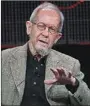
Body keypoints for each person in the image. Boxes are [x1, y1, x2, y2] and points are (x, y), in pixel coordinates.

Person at [2, 2, 90, 106]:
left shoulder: (71, 64)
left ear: (57, 38)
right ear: (29, 28)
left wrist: (74, 84)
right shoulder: (3, 58)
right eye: (41, 26)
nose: (45, 34)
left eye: (52, 29)